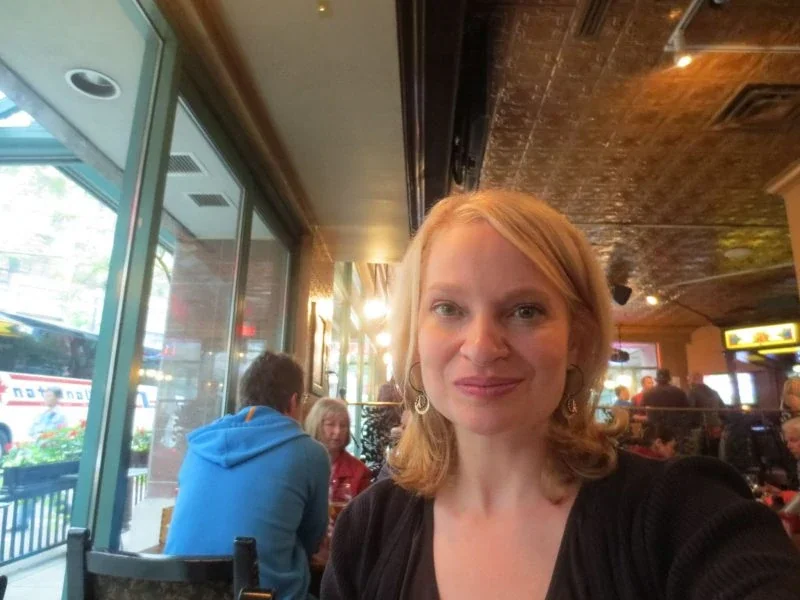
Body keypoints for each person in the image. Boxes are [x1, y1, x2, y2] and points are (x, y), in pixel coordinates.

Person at [321, 190, 800, 599]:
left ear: (578, 339)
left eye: (525, 311)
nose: (482, 347)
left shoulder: (681, 514)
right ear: (414, 335)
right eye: (448, 308)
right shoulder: (368, 530)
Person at [165, 351, 329, 599]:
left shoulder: (198, 447)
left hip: (179, 593)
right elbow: (312, 540)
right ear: (294, 401)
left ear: (244, 396)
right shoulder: (309, 453)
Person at [305, 398, 372, 499]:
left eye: (343, 425)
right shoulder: (299, 464)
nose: (338, 431)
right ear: (316, 425)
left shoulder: (360, 472)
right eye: (330, 424)